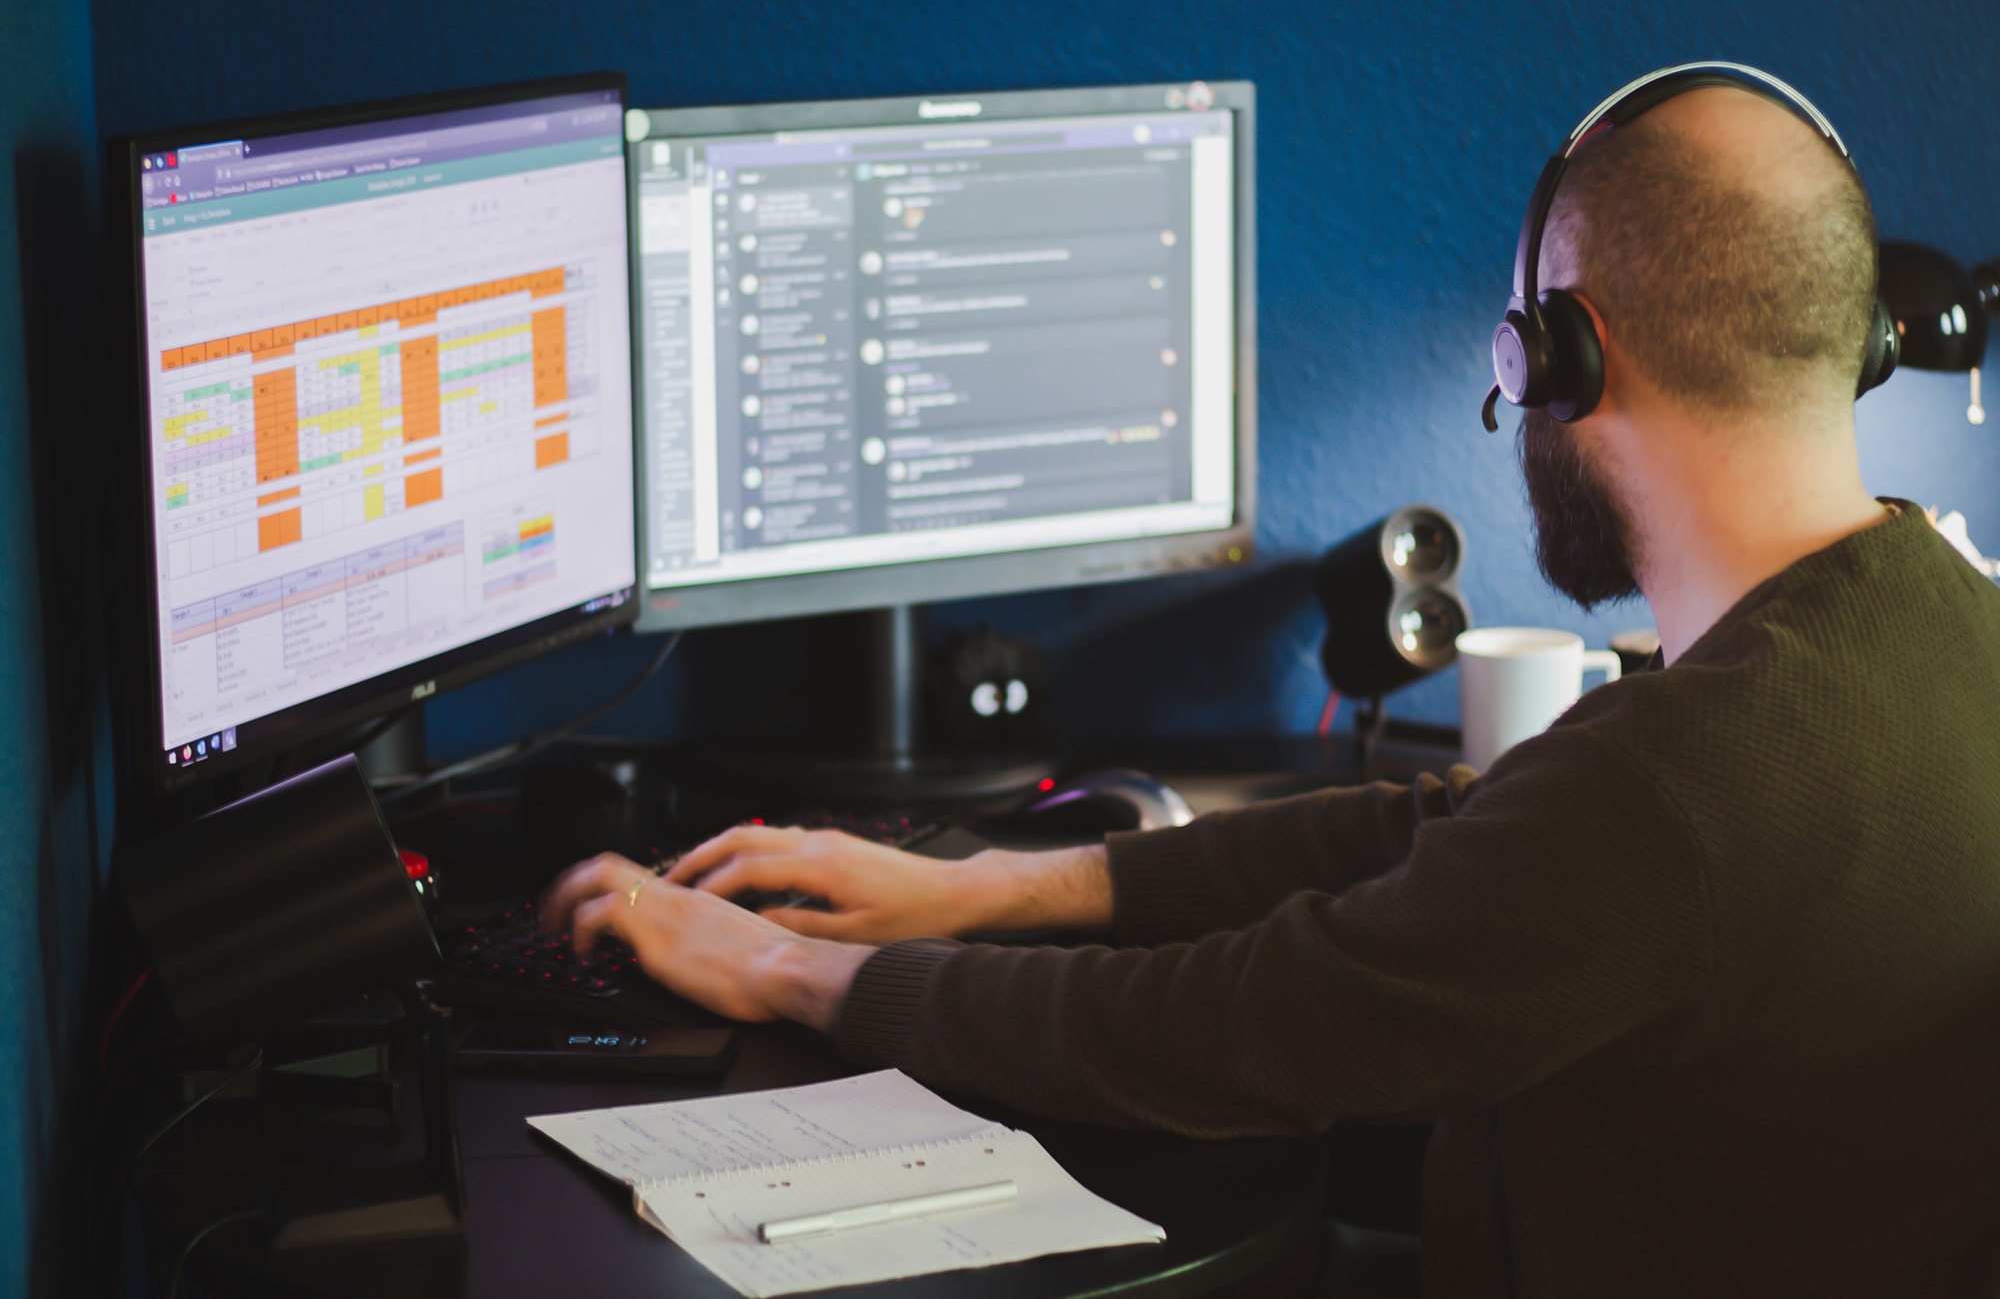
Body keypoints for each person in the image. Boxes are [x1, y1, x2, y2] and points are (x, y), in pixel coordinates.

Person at [544, 79, 2000, 1297]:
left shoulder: (1679, 788)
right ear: (1858, 338)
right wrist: (984, 888)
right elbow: (1462, 837)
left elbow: (1231, 1032)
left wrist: (795, 973)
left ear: (1555, 356)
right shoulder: (1925, 621)